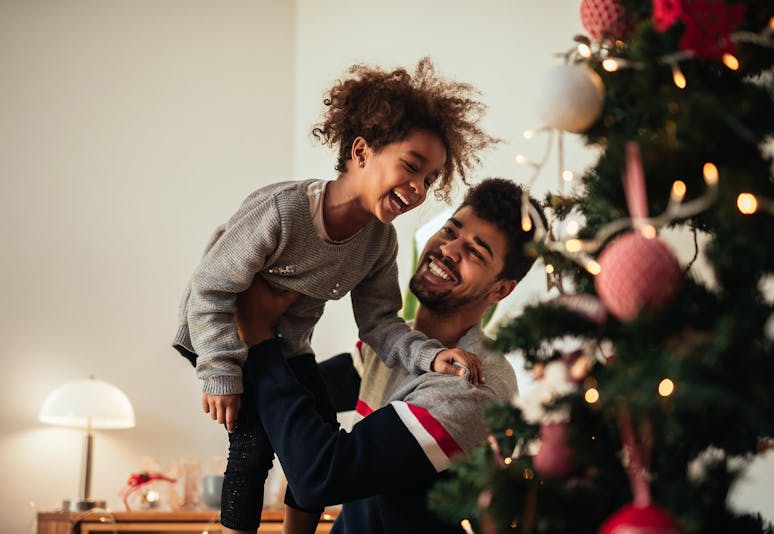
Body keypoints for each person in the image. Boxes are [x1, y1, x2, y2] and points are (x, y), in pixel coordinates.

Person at [172, 58, 497, 534]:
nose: (419, 188)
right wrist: (219, 370)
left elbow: (381, 324)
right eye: (411, 167)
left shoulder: (378, 242)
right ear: (361, 151)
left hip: (286, 346)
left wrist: (431, 358)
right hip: (218, 330)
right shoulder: (284, 212)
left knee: (320, 430)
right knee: (254, 444)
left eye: (430, 179)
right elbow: (211, 287)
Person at [235, 178, 546, 533]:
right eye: (450, 231)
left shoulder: (473, 382)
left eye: (475, 252)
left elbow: (321, 475)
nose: (449, 250)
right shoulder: (394, 345)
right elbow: (299, 399)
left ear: (501, 289)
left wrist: (259, 334)